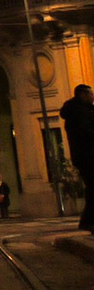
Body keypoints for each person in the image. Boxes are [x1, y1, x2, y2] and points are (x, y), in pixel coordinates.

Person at [60, 83, 94, 232]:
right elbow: (86, 133)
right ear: (82, 95)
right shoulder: (79, 112)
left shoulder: (80, 111)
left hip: (84, 156)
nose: (92, 97)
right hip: (88, 155)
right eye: (90, 94)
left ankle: (87, 221)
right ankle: (87, 221)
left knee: (92, 188)